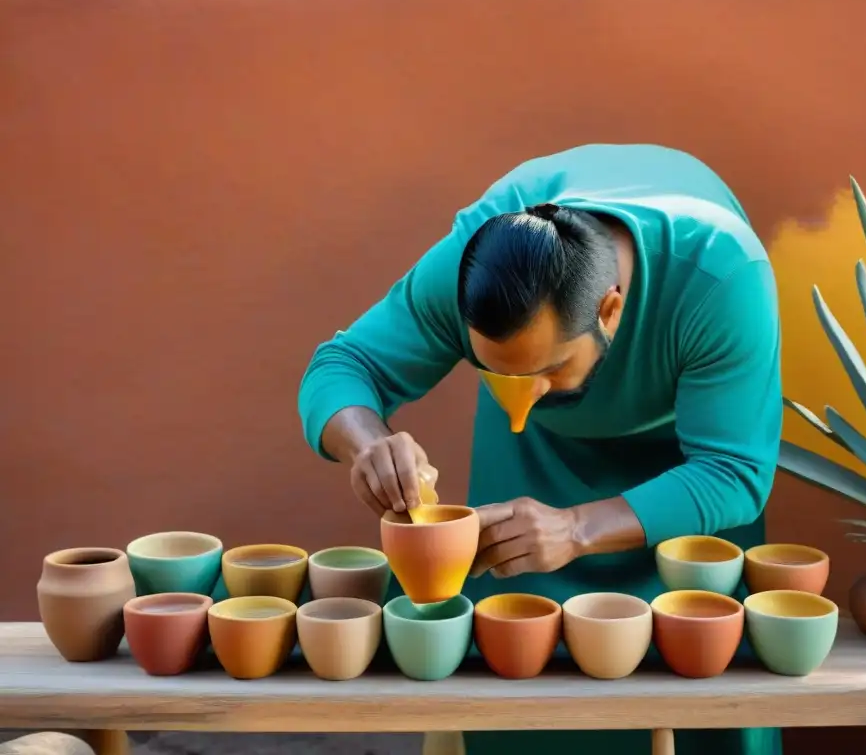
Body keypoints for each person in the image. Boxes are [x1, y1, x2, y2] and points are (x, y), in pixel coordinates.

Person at [298, 143, 783, 755]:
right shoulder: (475, 261)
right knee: (509, 672)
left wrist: (580, 527)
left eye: (549, 369)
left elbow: (734, 471)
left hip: (685, 478)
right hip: (531, 465)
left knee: (702, 684)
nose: (521, 401)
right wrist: (366, 442)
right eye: (500, 374)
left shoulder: (721, 275)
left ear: (609, 310)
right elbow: (345, 363)